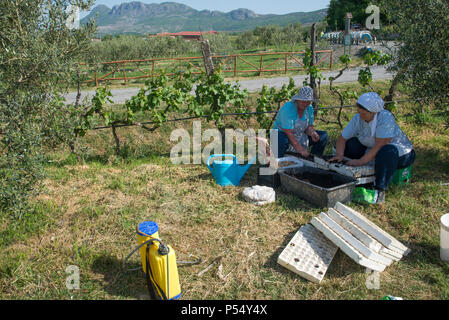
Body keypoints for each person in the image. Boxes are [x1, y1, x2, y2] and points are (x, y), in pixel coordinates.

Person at [329, 92, 416, 204]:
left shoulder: (385, 117)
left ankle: (379, 190)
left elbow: (382, 144)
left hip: (399, 154)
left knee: (387, 151)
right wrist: (339, 155)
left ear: (374, 112)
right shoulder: (358, 118)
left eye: (364, 114)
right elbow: (342, 138)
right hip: (372, 150)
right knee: (352, 143)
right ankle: (350, 177)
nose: (361, 116)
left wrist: (361, 161)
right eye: (359, 112)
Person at [271, 86, 328, 159]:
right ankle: (276, 161)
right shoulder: (288, 108)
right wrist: (300, 149)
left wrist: (312, 132)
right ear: (297, 100)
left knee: (323, 136)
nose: (305, 104)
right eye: (303, 101)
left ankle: (313, 159)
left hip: (299, 134)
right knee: (282, 141)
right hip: (281, 134)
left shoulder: (309, 108)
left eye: (308, 101)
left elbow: (309, 126)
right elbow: (288, 132)